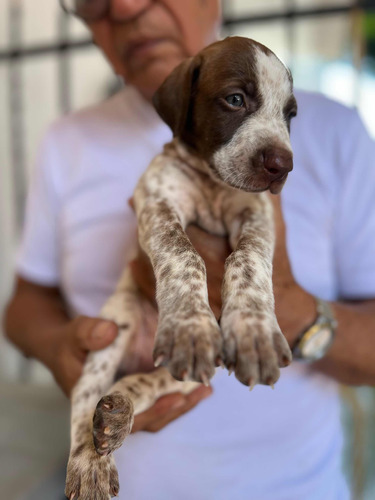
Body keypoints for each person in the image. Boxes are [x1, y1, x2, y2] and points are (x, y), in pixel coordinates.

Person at [4, 1, 375, 499]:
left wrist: (292, 312)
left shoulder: (340, 133)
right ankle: (92, 455)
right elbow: (25, 305)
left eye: (284, 116)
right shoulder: (66, 142)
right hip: (132, 442)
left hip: (295, 486)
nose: (130, 6)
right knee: (127, 388)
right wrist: (59, 351)